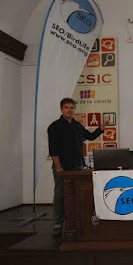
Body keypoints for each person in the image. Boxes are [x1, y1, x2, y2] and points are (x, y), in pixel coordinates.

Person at [48, 98, 109, 237]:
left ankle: (75, 221)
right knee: (60, 195)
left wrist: (102, 126)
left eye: (72, 107)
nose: (70, 110)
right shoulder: (55, 126)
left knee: (77, 193)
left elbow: (91, 137)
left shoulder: (77, 125)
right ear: (61, 109)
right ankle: (58, 223)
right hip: (62, 167)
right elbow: (53, 150)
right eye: (66, 107)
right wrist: (59, 169)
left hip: (78, 166)